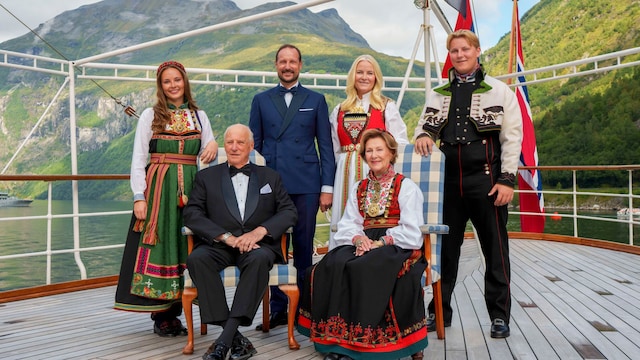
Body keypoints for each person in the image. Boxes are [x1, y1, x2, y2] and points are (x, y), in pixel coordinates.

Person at [413, 30, 523, 339]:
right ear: (450, 54)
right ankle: (439, 312)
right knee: (445, 251)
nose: (460, 55)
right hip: (447, 183)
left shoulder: (500, 92)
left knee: (495, 250)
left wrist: (507, 180)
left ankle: (500, 316)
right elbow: (424, 128)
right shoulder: (438, 93)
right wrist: (423, 135)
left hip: (487, 181)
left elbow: (512, 139)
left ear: (476, 51)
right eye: (454, 50)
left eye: (465, 49)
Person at [297, 129, 428, 360]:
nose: (374, 155)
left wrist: (382, 242)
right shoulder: (359, 187)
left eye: (379, 150)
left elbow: (412, 229)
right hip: (363, 240)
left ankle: (360, 345)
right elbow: (349, 222)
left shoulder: (406, 187)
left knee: (364, 267)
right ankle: (335, 341)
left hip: (397, 244)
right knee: (331, 264)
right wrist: (358, 239)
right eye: (369, 151)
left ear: (391, 153)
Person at [114, 60, 218, 337]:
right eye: (167, 81)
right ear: (161, 86)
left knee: (187, 245)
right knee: (161, 245)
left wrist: (214, 143)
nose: (173, 85)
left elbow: (209, 152)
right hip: (159, 189)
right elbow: (138, 159)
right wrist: (139, 196)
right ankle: (162, 315)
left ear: (185, 82)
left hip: (193, 190)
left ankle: (186, 306)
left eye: (177, 80)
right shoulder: (150, 115)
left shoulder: (199, 116)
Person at [183, 124, 298, 360]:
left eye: (240, 142)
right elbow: (192, 214)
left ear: (251, 146)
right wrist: (228, 238)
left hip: (258, 246)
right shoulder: (206, 177)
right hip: (220, 245)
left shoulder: (270, 177)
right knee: (197, 259)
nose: (234, 147)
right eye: (230, 142)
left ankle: (223, 342)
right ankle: (235, 339)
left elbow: (289, 212)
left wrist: (259, 232)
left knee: (258, 260)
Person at [249, 43, 335, 330]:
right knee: (273, 247)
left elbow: (325, 147)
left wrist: (327, 187)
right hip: (271, 185)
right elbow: (254, 147)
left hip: (307, 184)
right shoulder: (261, 100)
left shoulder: (316, 99)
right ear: (276, 65)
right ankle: (277, 308)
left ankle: (304, 311)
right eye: (282, 62)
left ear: (300, 65)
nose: (287, 66)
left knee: (302, 246)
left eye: (292, 61)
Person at [328, 54, 409, 249]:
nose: (364, 77)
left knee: (372, 216)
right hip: (344, 173)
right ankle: (341, 260)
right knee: (344, 218)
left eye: (370, 73)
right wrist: (330, 186)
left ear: (376, 77)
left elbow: (399, 142)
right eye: (360, 72)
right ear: (352, 76)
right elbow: (333, 149)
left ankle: (372, 254)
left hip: (375, 169)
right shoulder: (339, 109)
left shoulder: (386, 106)